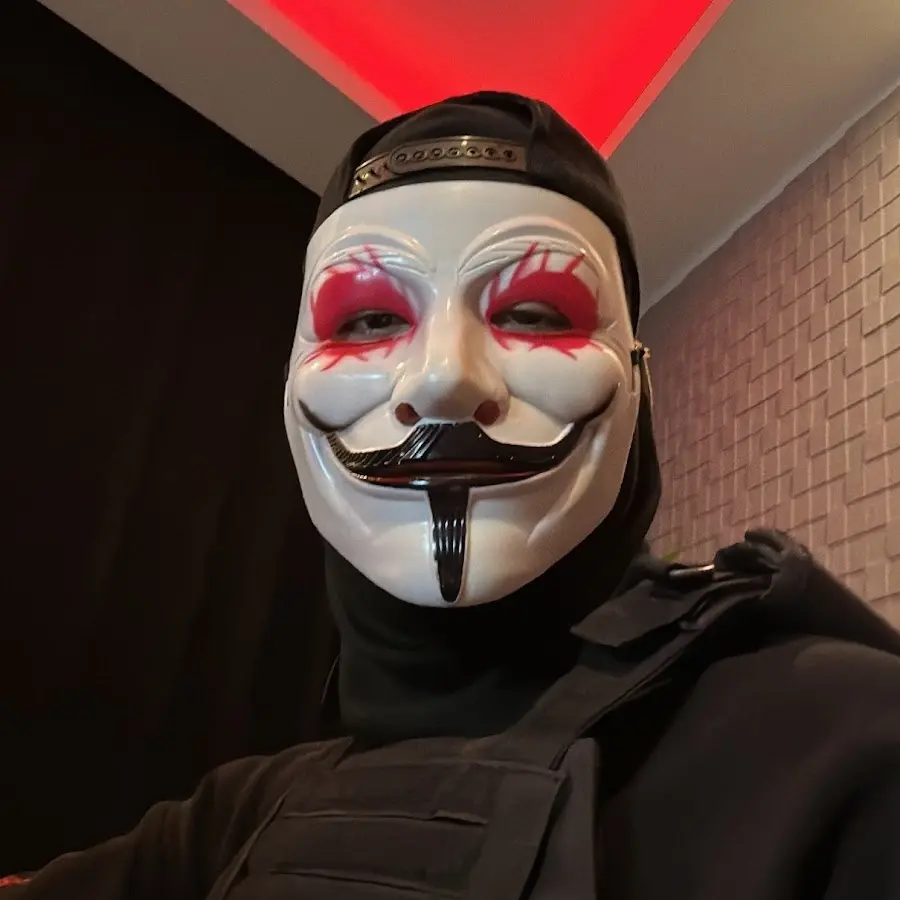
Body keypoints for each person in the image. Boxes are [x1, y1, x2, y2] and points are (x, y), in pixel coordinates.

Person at [5, 91, 900, 900]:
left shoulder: (842, 744)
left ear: (640, 384)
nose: (442, 380)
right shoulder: (235, 820)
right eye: (368, 320)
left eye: (535, 314)